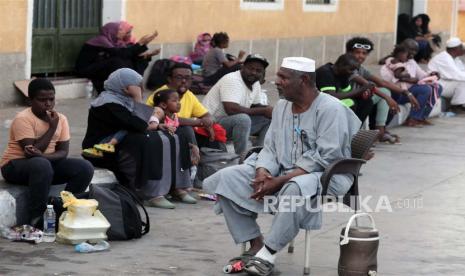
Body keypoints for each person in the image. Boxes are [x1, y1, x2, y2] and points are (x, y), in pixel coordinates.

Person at [203, 57, 361, 276]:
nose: (276, 81)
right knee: (229, 177)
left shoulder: (330, 109)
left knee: (295, 188)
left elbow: (326, 156)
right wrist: (262, 172)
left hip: (325, 174)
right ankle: (256, 244)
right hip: (280, 171)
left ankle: (267, 255)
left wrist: (278, 181)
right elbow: (270, 148)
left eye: (283, 77)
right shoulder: (282, 107)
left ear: (304, 80)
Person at [82, 68, 196, 209]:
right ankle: (152, 193)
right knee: (150, 140)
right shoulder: (107, 103)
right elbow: (139, 124)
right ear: (124, 87)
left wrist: (159, 126)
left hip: (122, 142)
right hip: (102, 148)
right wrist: (137, 99)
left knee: (175, 136)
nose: (140, 88)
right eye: (137, 85)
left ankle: (176, 186)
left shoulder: (124, 101)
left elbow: (141, 125)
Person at [1, 79, 94, 228]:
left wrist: (43, 156)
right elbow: (30, 153)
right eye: (42, 100)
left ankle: (63, 209)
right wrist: (51, 128)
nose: (48, 104)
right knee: (41, 164)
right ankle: (37, 218)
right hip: (14, 166)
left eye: (51, 99)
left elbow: (63, 152)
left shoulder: (61, 119)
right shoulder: (23, 119)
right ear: (30, 100)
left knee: (84, 167)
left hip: (44, 165)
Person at [202, 54, 273, 155]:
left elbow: (255, 106)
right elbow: (231, 109)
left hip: (230, 124)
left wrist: (270, 110)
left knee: (269, 118)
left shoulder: (255, 83)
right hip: (211, 125)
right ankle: (241, 156)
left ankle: (260, 153)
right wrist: (264, 110)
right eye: (250, 68)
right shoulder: (232, 79)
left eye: (258, 71)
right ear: (243, 67)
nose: (253, 72)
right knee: (243, 119)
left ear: (262, 73)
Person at [146, 62, 221, 149]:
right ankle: (192, 159)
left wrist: (208, 123)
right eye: (179, 77)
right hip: (164, 135)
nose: (184, 81)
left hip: (182, 135)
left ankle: (222, 160)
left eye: (188, 78)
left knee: (214, 130)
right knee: (187, 128)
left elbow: (207, 115)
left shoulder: (189, 95)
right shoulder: (161, 94)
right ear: (170, 79)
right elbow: (164, 118)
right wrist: (198, 122)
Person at [346, 37, 403, 143]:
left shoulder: (360, 68)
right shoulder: (347, 66)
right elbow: (367, 85)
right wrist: (387, 98)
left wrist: (406, 92)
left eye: (364, 53)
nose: (361, 56)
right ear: (349, 53)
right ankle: (367, 135)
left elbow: (382, 82)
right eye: (357, 52)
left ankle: (379, 131)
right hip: (346, 101)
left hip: (357, 99)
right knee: (381, 95)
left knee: (385, 91)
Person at [75, 21, 160, 92]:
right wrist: (140, 43)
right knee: (117, 61)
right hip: (85, 69)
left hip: (100, 67)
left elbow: (125, 53)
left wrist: (144, 48)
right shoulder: (101, 40)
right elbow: (120, 53)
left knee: (137, 59)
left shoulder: (115, 42)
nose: (122, 32)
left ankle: (134, 83)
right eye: (119, 30)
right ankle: (128, 85)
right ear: (112, 31)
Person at [380, 39, 442, 127]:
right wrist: (412, 80)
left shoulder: (411, 62)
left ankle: (421, 117)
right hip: (399, 94)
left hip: (410, 91)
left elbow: (422, 75)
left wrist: (431, 74)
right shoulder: (390, 64)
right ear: (402, 51)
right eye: (410, 50)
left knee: (437, 87)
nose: (412, 54)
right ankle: (412, 119)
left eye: (415, 51)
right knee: (425, 89)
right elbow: (394, 80)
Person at [315, 54, 374, 123]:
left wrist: (362, 94)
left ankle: (354, 129)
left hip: (332, 101)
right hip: (318, 103)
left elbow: (348, 92)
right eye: (351, 69)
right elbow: (331, 96)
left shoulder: (343, 73)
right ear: (341, 65)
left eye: (354, 70)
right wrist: (361, 89)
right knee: (348, 104)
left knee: (366, 102)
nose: (352, 72)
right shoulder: (325, 72)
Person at [428, 37, 465, 112]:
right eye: (461, 47)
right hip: (437, 84)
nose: (463, 49)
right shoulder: (444, 58)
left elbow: (462, 71)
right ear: (455, 49)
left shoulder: (455, 58)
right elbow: (457, 75)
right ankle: (456, 106)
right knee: (463, 82)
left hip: (447, 82)